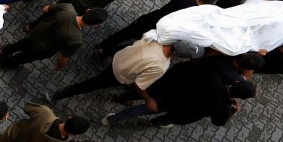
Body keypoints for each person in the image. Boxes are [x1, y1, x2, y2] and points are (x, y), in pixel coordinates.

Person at [103, 62, 255, 128]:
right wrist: (233, 111)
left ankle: (111, 119)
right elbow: (219, 123)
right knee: (165, 120)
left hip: (172, 97)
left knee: (143, 109)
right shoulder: (223, 108)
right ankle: (153, 123)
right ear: (240, 98)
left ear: (235, 83)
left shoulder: (214, 79)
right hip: (184, 114)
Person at [50, 39, 202, 103]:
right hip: (119, 74)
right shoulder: (161, 66)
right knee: (90, 84)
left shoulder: (156, 38)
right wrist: (148, 100)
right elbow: (140, 85)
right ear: (181, 56)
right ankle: (58, 94)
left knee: (94, 81)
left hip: (120, 57)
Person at [96, 0, 220, 56]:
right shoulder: (196, 15)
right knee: (134, 45)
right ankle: (107, 52)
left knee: (126, 32)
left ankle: (103, 44)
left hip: (150, 19)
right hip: (158, 32)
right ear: (211, 3)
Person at [0, 5, 107, 70]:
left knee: (19, 44)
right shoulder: (76, 39)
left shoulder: (67, 8)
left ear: (87, 10)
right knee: (22, 58)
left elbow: (46, 9)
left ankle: (4, 51)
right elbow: (61, 57)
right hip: (41, 50)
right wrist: (59, 66)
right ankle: (6, 62)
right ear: (93, 25)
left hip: (36, 35)